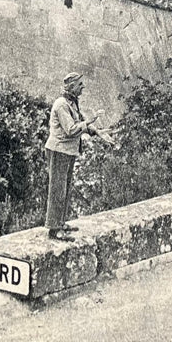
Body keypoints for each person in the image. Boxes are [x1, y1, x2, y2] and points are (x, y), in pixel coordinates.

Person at [44, 73, 103, 240]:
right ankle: (54, 229)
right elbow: (71, 129)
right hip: (59, 150)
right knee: (58, 189)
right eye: (80, 84)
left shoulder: (71, 103)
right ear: (71, 87)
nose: (82, 87)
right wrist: (89, 122)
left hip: (68, 151)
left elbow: (79, 123)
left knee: (66, 188)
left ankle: (61, 222)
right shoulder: (61, 104)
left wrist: (96, 131)